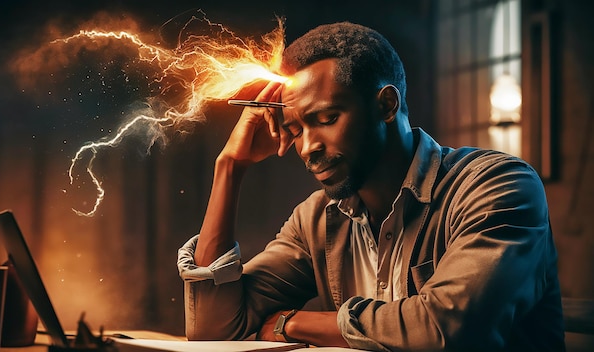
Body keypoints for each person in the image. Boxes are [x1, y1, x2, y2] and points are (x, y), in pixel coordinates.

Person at [177, 22, 565, 351]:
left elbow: (449, 329)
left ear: (386, 105)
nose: (308, 147)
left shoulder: (498, 187)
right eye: (295, 130)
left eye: (327, 118)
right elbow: (213, 332)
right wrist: (229, 168)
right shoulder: (316, 220)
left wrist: (293, 324)